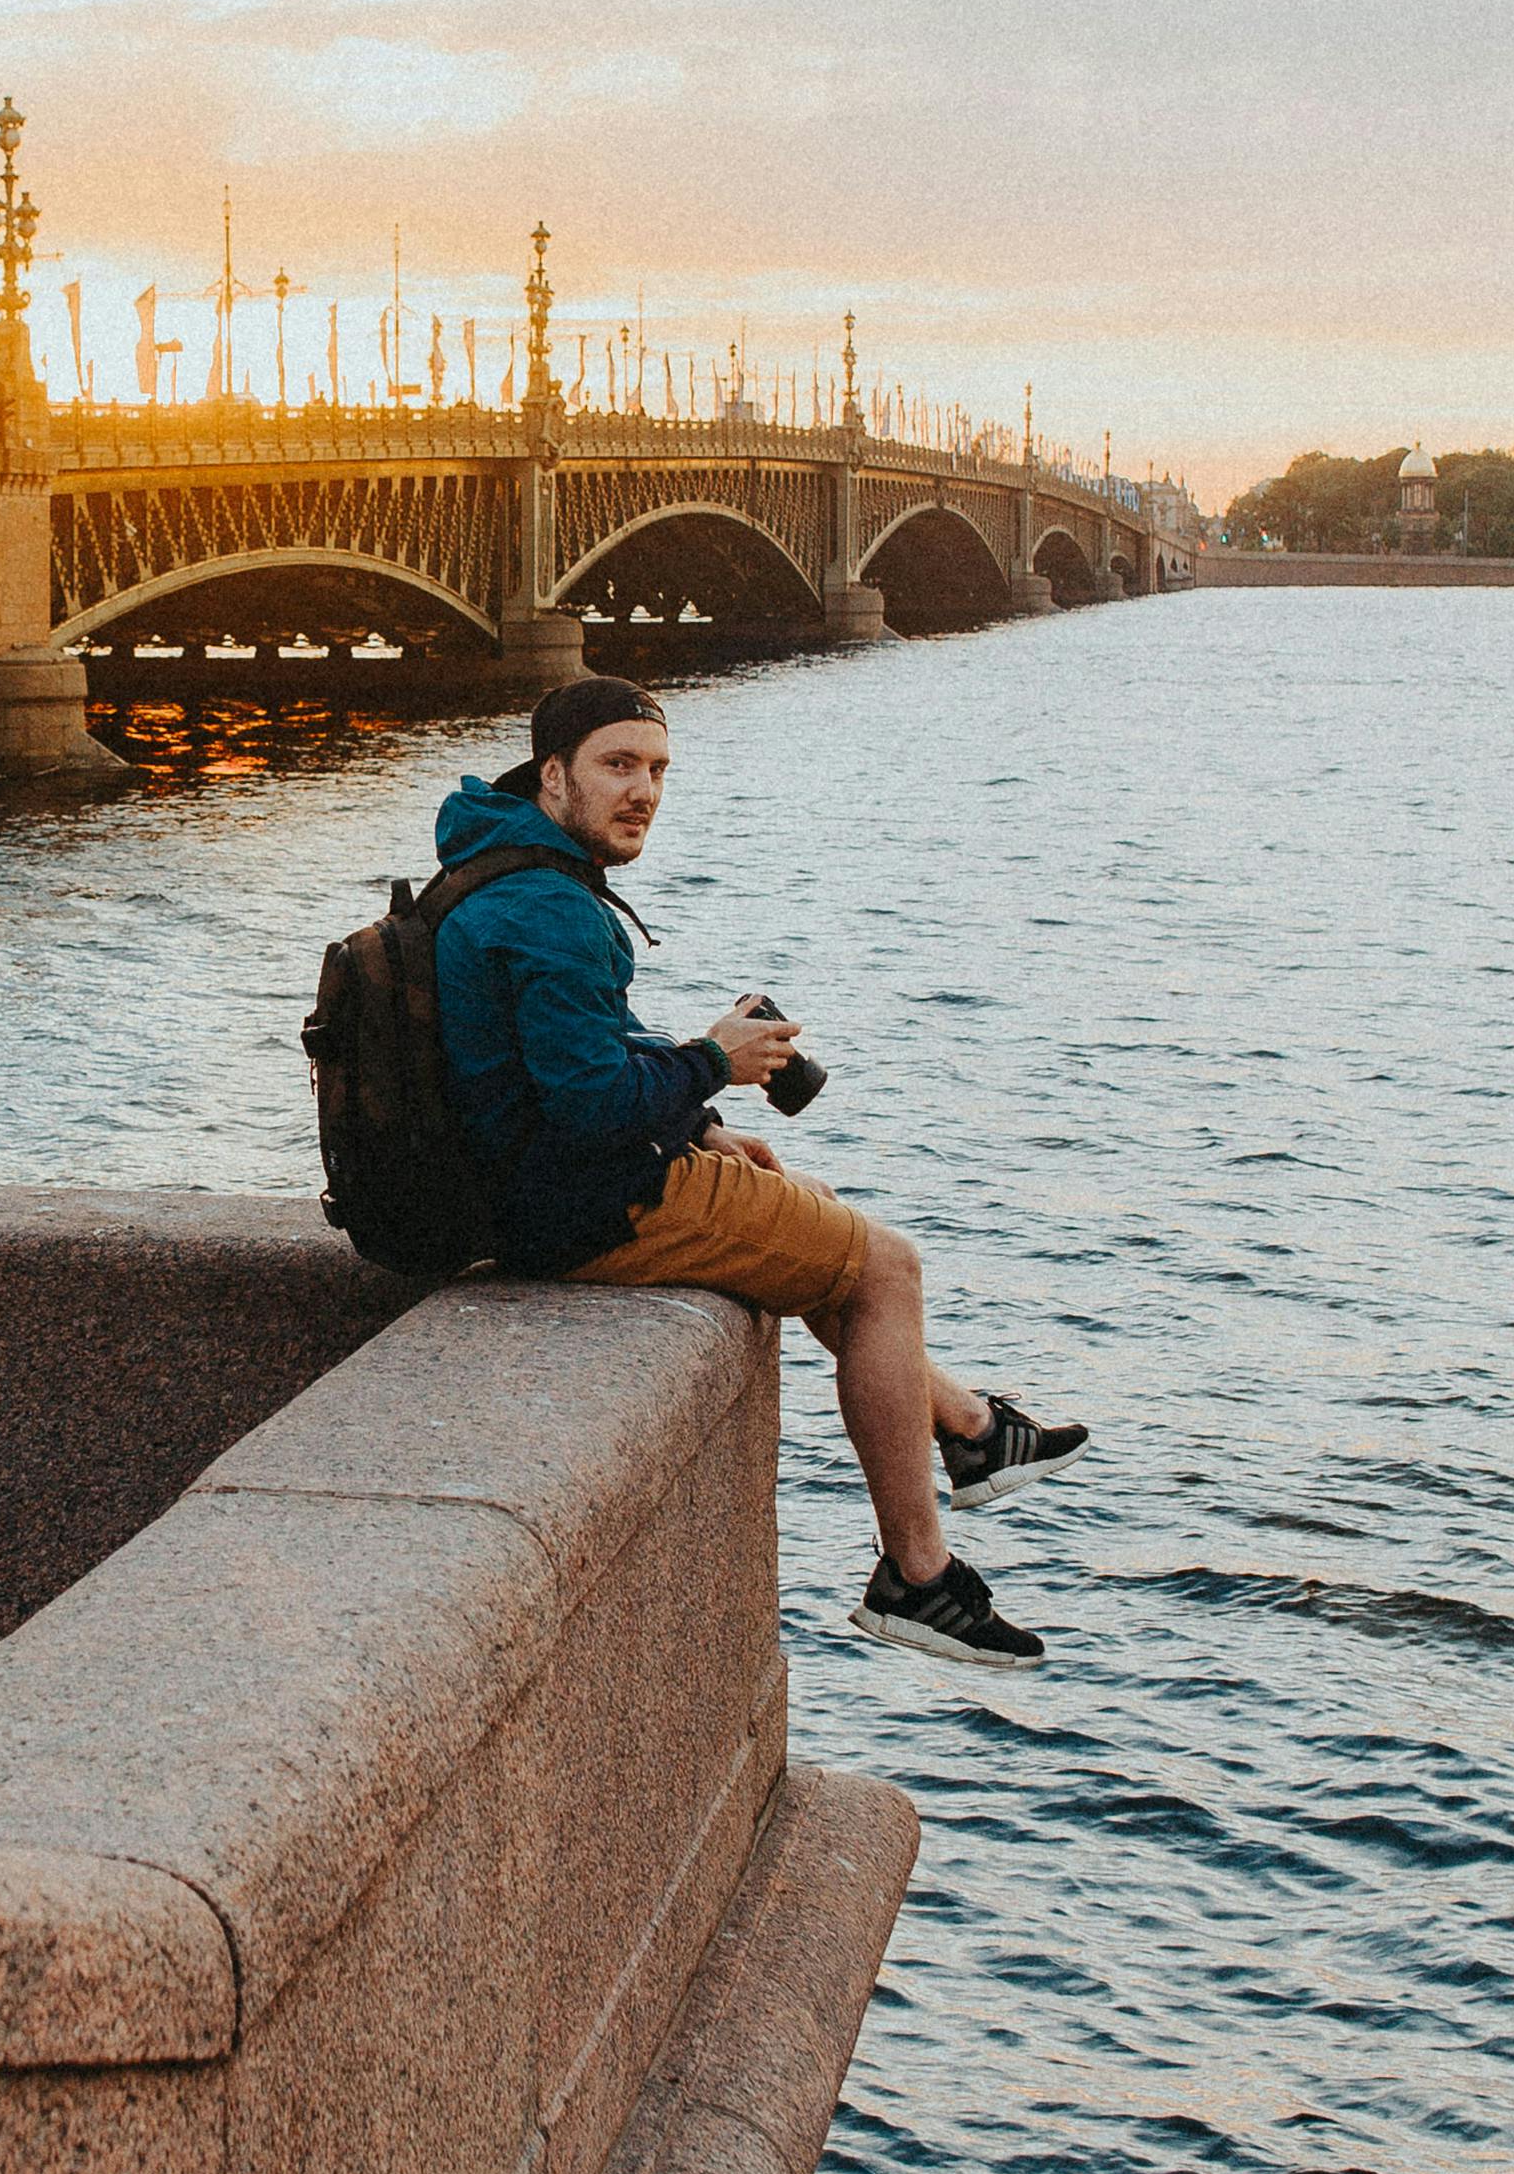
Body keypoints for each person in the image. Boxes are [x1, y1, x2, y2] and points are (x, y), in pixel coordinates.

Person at [428, 672, 1087, 1665]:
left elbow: (564, 1061)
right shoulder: (548, 906)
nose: (642, 790)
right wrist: (713, 1063)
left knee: (807, 1207)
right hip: (585, 1208)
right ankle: (918, 1577)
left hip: (541, 1185)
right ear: (554, 771)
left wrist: (696, 1121)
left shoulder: (504, 864)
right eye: (617, 765)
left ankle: (971, 1426)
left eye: (656, 770)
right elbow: (585, 1105)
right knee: (885, 1267)